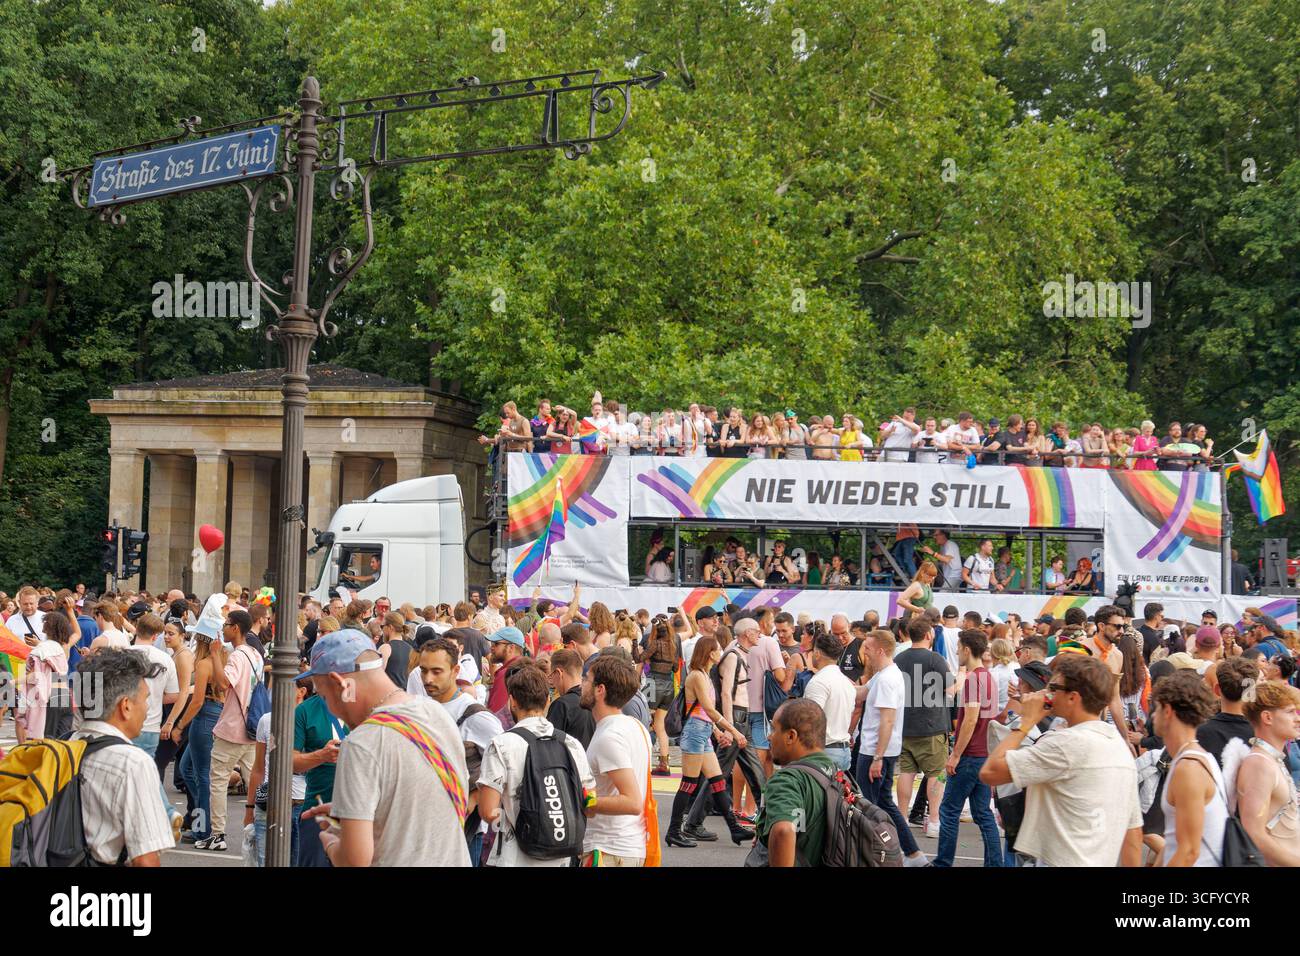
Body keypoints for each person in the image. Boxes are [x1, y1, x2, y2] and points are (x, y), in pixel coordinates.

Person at [299, 630, 472, 866]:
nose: (331, 708)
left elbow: (354, 860)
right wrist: (353, 812)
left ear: (340, 684)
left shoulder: (362, 743)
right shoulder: (436, 714)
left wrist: (329, 842)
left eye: (325, 696)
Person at [981, 654, 1144, 866]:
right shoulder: (1119, 747)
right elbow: (1132, 834)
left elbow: (990, 772)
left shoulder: (1063, 743)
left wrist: (1026, 722)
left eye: (1054, 688)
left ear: (1073, 697)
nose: (1046, 693)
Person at [477, 664, 596, 866]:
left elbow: (488, 811)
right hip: (562, 856)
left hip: (515, 856)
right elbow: (591, 805)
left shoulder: (501, 745)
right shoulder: (571, 744)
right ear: (548, 700)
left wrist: (511, 821)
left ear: (512, 702)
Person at [71, 649, 176, 866]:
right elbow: (146, 860)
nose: (147, 708)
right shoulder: (133, 763)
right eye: (146, 699)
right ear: (126, 706)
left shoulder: (66, 744)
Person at [665, 637, 753, 847]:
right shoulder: (696, 675)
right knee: (689, 783)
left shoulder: (705, 674)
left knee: (717, 781)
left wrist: (715, 732)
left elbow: (703, 711)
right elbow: (709, 709)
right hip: (695, 733)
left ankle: (734, 829)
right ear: (709, 652)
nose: (721, 651)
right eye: (718, 648)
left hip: (702, 731)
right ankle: (673, 831)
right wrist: (732, 730)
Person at [856, 629, 928, 865]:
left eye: (867, 647)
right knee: (883, 803)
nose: (864, 652)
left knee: (872, 808)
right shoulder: (886, 673)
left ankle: (885, 855)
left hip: (876, 751)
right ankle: (912, 853)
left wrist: (877, 757)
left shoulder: (887, 678)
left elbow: (887, 719)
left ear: (880, 650)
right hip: (880, 750)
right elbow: (861, 694)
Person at [933, 630, 1003, 867]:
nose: (955, 651)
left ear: (966, 649)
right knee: (983, 814)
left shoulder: (974, 679)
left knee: (950, 811)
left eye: (958, 647)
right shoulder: (988, 677)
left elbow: (971, 719)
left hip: (970, 754)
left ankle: (943, 863)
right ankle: (994, 864)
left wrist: (955, 755)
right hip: (983, 753)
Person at [579, 654, 655, 867]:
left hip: (610, 850)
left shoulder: (609, 737)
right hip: (624, 848)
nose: (581, 684)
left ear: (600, 689)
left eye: (586, 679)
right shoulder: (635, 727)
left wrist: (583, 800)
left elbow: (632, 801)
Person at [202, 608, 263, 852]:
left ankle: (217, 834)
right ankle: (262, 827)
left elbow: (223, 682)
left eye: (227, 624)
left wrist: (216, 655)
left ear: (235, 628)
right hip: (251, 728)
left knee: (217, 781)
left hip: (232, 728)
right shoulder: (255, 654)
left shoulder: (237, 656)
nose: (224, 628)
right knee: (255, 782)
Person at [1151, 671, 1227, 866]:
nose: (1152, 715)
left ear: (1167, 711)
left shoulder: (1189, 768)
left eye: (1156, 708)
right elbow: (1173, 842)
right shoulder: (1196, 758)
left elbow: (1189, 852)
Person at [754, 699, 839, 866]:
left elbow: (783, 831)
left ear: (791, 736)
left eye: (774, 729)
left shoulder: (786, 781)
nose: (769, 736)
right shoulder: (839, 775)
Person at [894, 616, 953, 840]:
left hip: (905, 725)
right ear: (929, 635)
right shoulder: (935, 659)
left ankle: (901, 817)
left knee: (906, 773)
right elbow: (950, 689)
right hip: (932, 726)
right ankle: (935, 820)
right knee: (935, 774)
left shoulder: (899, 659)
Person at [1230, 679, 1300, 866]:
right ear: (1267, 717)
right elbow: (1254, 833)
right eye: (1290, 712)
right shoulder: (1259, 764)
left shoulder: (1270, 759)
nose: (1298, 718)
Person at [171, 602, 224, 845]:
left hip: (205, 717)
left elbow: (197, 701)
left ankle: (203, 829)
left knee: (200, 775)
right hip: (215, 714)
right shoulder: (222, 658)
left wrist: (180, 725)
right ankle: (204, 822)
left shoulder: (204, 664)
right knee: (190, 770)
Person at [736, 616, 788, 779]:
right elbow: (780, 676)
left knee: (740, 758)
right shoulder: (768, 643)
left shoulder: (732, 645)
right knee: (759, 758)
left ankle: (738, 804)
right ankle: (754, 803)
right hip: (762, 710)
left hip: (739, 708)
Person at [802, 631, 857, 772]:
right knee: (836, 794)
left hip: (825, 751)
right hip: (842, 750)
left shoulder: (819, 682)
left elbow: (811, 720)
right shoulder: (845, 682)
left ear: (818, 653)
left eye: (813, 651)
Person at [641, 617, 679, 776]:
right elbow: (676, 668)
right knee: (660, 726)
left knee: (644, 721)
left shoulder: (655, 644)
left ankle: (643, 760)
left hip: (653, 683)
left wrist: (637, 642)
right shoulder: (673, 645)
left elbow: (639, 658)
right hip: (668, 685)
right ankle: (665, 764)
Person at [546, 648, 596, 747]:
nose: (552, 683)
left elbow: (550, 747)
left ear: (558, 673)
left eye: (551, 676)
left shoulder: (562, 705)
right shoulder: (595, 700)